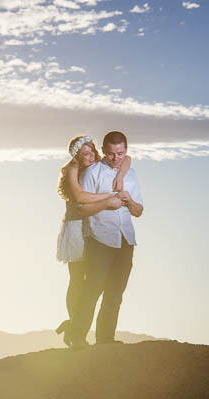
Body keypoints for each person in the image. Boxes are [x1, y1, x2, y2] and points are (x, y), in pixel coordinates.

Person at [66, 131, 144, 349]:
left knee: (115, 294)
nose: (115, 158)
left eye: (120, 153)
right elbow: (82, 207)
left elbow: (139, 211)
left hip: (126, 240)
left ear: (125, 151)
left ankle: (105, 341)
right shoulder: (92, 173)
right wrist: (108, 203)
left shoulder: (131, 175)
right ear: (104, 150)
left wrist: (130, 202)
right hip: (100, 240)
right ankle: (77, 338)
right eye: (110, 153)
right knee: (91, 290)